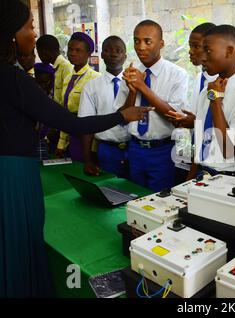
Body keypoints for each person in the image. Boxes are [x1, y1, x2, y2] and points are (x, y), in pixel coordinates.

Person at [0, 0, 149, 297]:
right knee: (18, 240)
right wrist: (122, 115)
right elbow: (69, 122)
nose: (34, 33)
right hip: (14, 175)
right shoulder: (13, 78)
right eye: (30, 26)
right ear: (12, 35)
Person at [115, 20, 189, 192]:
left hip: (162, 150)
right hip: (134, 148)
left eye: (147, 41)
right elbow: (121, 117)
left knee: (159, 202)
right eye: (136, 41)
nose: (140, 47)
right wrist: (133, 91)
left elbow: (175, 118)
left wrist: (142, 87)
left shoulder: (177, 74)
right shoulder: (130, 73)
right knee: (136, 198)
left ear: (161, 44)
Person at [187, 25, 235, 180]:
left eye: (208, 50)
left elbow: (229, 150)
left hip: (230, 179)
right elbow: (201, 144)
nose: (203, 57)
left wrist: (216, 102)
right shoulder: (207, 90)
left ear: (229, 51)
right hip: (201, 175)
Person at [166, 22, 217, 184]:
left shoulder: (220, 83)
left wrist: (194, 122)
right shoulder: (199, 78)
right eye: (190, 46)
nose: (190, 51)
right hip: (197, 156)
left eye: (196, 46)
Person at [78, 35, 129, 178]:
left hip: (135, 149)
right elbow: (86, 125)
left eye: (118, 51)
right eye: (108, 50)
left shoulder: (135, 83)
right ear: (101, 55)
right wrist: (87, 160)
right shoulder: (91, 86)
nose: (113, 54)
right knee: (111, 190)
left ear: (125, 56)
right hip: (107, 149)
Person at [55, 32, 102, 161]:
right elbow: (65, 112)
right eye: (70, 49)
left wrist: (93, 149)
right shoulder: (68, 76)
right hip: (70, 133)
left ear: (88, 54)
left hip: (87, 136)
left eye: (78, 50)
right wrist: (61, 143)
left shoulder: (95, 78)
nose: (72, 53)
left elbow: (97, 118)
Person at [36, 34, 73, 106]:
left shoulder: (65, 67)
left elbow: (66, 99)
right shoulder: (54, 68)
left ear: (44, 52)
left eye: (38, 52)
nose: (39, 56)